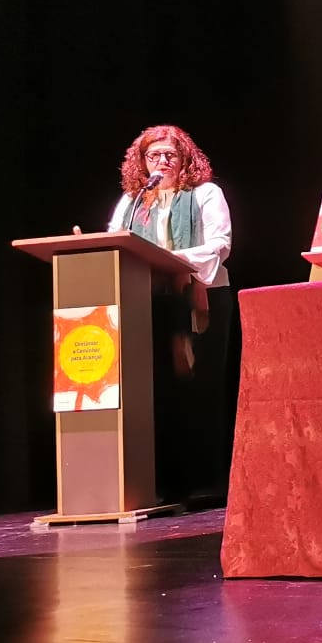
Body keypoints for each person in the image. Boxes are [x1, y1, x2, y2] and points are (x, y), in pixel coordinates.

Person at [109, 125, 234, 508]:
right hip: (147, 301)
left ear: (185, 160)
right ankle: (164, 482)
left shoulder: (204, 194)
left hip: (200, 297)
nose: (162, 162)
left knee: (196, 389)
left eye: (170, 155)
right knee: (157, 390)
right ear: (142, 163)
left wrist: (171, 262)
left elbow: (219, 244)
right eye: (154, 156)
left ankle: (206, 482)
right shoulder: (133, 202)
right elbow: (115, 240)